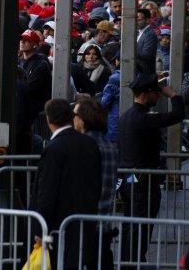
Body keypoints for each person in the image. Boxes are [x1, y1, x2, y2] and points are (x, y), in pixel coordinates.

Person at [118, 72, 184, 263]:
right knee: (141, 224)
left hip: (130, 178)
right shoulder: (144, 118)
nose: (158, 96)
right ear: (146, 94)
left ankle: (130, 259)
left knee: (131, 224)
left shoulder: (126, 117)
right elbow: (178, 115)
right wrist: (173, 95)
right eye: (156, 92)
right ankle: (134, 260)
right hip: (143, 182)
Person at [31, 99, 101, 270]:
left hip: (58, 227)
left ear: (49, 119)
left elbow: (47, 192)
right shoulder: (89, 143)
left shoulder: (54, 148)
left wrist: (40, 228)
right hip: (85, 221)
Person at [73, 99, 119, 270]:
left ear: (84, 119)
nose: (72, 118)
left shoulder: (83, 147)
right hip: (103, 222)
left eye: (75, 115)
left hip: (82, 223)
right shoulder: (111, 147)